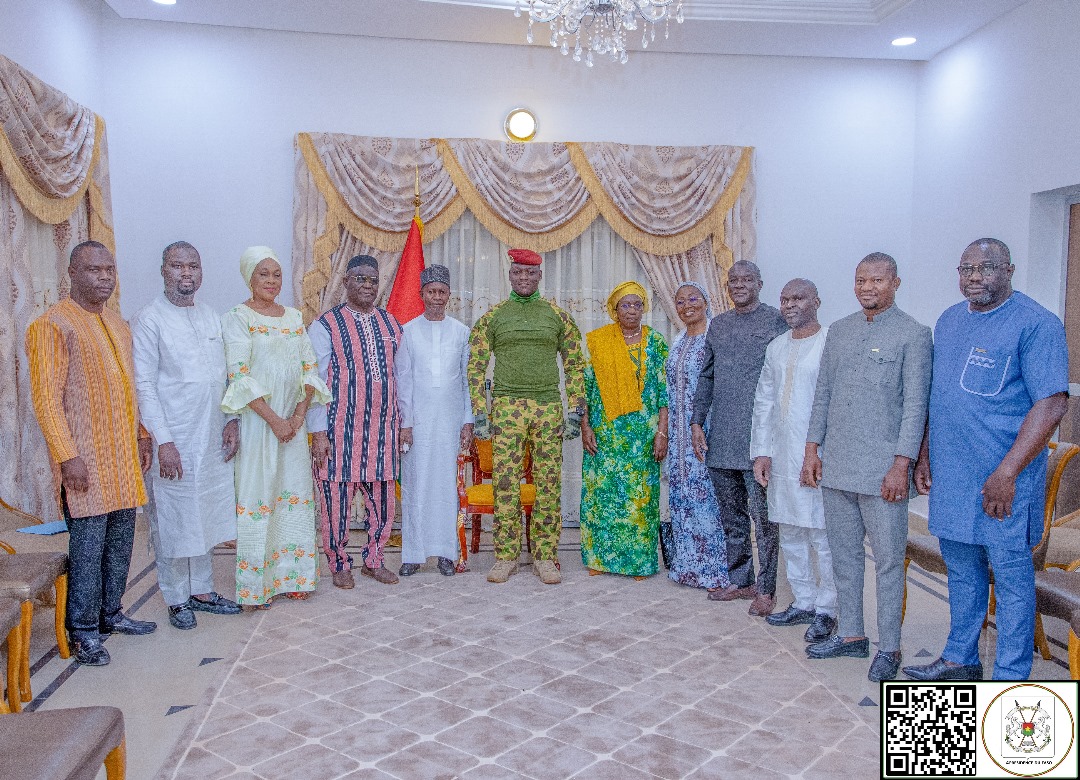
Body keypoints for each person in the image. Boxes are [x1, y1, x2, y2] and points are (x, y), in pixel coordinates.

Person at [903, 239, 1068, 682]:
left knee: (1012, 581)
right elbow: (941, 398)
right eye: (966, 268)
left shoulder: (1036, 324)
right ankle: (960, 658)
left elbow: (1051, 404)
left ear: (1010, 270)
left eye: (986, 267)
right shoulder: (950, 320)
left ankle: (1010, 676)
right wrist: (925, 455)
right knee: (961, 569)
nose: (974, 276)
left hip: (1002, 481)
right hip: (953, 475)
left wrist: (1008, 472)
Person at [802, 252, 932, 682]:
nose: (867, 288)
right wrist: (811, 449)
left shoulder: (913, 334)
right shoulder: (839, 332)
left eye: (877, 280)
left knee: (890, 562)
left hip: (884, 474)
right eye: (860, 280)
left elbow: (915, 407)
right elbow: (822, 395)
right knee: (844, 556)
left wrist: (902, 464)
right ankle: (853, 635)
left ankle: (889, 646)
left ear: (896, 283)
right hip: (836, 465)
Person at [26, 240, 156, 666]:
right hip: (84, 462)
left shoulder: (117, 325)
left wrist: (142, 434)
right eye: (93, 270)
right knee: (87, 548)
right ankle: (82, 631)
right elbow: (47, 400)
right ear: (72, 273)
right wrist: (67, 457)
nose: (104, 277)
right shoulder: (52, 325)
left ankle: (110, 614)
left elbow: (130, 389)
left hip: (122, 458)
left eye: (109, 270)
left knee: (120, 543)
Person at [132, 241, 243, 630]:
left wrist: (232, 420)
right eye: (177, 266)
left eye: (193, 266)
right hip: (175, 439)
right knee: (175, 519)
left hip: (211, 435)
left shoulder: (212, 316)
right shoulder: (149, 319)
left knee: (206, 516)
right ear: (163, 270)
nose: (186, 274)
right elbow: (144, 385)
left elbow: (227, 376)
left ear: (201, 271)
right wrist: (162, 440)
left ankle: (204, 590)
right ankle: (177, 597)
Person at [468, 248, 586, 585]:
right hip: (505, 408)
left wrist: (576, 408)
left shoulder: (557, 316)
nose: (524, 278)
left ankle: (545, 557)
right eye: (518, 272)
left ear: (539, 276)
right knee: (506, 485)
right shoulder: (493, 317)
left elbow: (575, 362)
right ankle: (505, 556)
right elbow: (475, 366)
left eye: (530, 273)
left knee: (548, 484)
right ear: (510, 274)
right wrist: (480, 410)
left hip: (548, 407)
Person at [221, 246, 329, 608]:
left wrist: (297, 419)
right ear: (249, 277)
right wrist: (275, 421)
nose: (271, 281)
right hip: (259, 425)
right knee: (259, 496)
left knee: (292, 498)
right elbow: (239, 374)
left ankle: (292, 577)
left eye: (276, 274)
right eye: (263, 274)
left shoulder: (294, 317)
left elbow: (308, 370)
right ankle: (255, 586)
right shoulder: (237, 317)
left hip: (292, 430)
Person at [691, 260, 787, 616]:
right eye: (733, 280)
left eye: (747, 279)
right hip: (722, 437)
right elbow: (707, 376)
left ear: (760, 283)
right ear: (726, 285)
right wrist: (697, 421)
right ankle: (741, 580)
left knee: (764, 521)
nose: (740, 285)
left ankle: (766, 588)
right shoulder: (719, 324)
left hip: (760, 440)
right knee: (731, 517)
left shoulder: (776, 320)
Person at [308, 255, 405, 587]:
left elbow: (401, 377)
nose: (368, 285)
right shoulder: (325, 325)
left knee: (382, 501)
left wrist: (405, 422)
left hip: (383, 431)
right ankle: (339, 563)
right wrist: (317, 432)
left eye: (373, 280)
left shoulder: (392, 325)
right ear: (345, 282)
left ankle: (374, 560)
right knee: (336, 502)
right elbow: (315, 383)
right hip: (340, 431)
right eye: (360, 279)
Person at [751, 279, 837, 643]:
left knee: (821, 533)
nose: (789, 305)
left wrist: (818, 451)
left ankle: (828, 609)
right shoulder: (776, 347)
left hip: (818, 454)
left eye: (798, 298)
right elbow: (765, 402)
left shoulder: (830, 343)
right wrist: (762, 451)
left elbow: (836, 402)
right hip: (781, 454)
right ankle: (802, 600)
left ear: (816, 301)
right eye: (784, 299)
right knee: (789, 530)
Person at [580, 282, 669, 578]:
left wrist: (662, 432)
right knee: (602, 497)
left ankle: (638, 563)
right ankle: (600, 561)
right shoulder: (599, 341)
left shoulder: (655, 342)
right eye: (625, 305)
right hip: (605, 434)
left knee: (639, 499)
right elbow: (585, 389)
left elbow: (664, 393)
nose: (631, 310)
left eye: (637, 304)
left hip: (642, 436)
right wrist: (585, 426)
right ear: (614, 310)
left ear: (644, 308)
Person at [397, 264, 474, 577]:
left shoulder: (461, 332)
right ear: (422, 294)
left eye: (442, 292)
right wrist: (406, 423)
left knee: (446, 488)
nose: (437, 297)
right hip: (417, 425)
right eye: (431, 292)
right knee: (416, 485)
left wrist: (468, 421)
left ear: (449, 295)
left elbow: (469, 381)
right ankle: (414, 555)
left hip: (451, 423)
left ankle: (446, 552)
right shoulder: (408, 331)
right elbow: (403, 380)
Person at [665, 283, 730, 592]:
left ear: (707, 302)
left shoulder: (715, 337)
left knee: (708, 502)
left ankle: (714, 571)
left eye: (693, 299)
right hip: (679, 439)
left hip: (706, 431)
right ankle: (687, 568)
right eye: (680, 301)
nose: (686, 305)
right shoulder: (677, 341)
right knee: (682, 500)